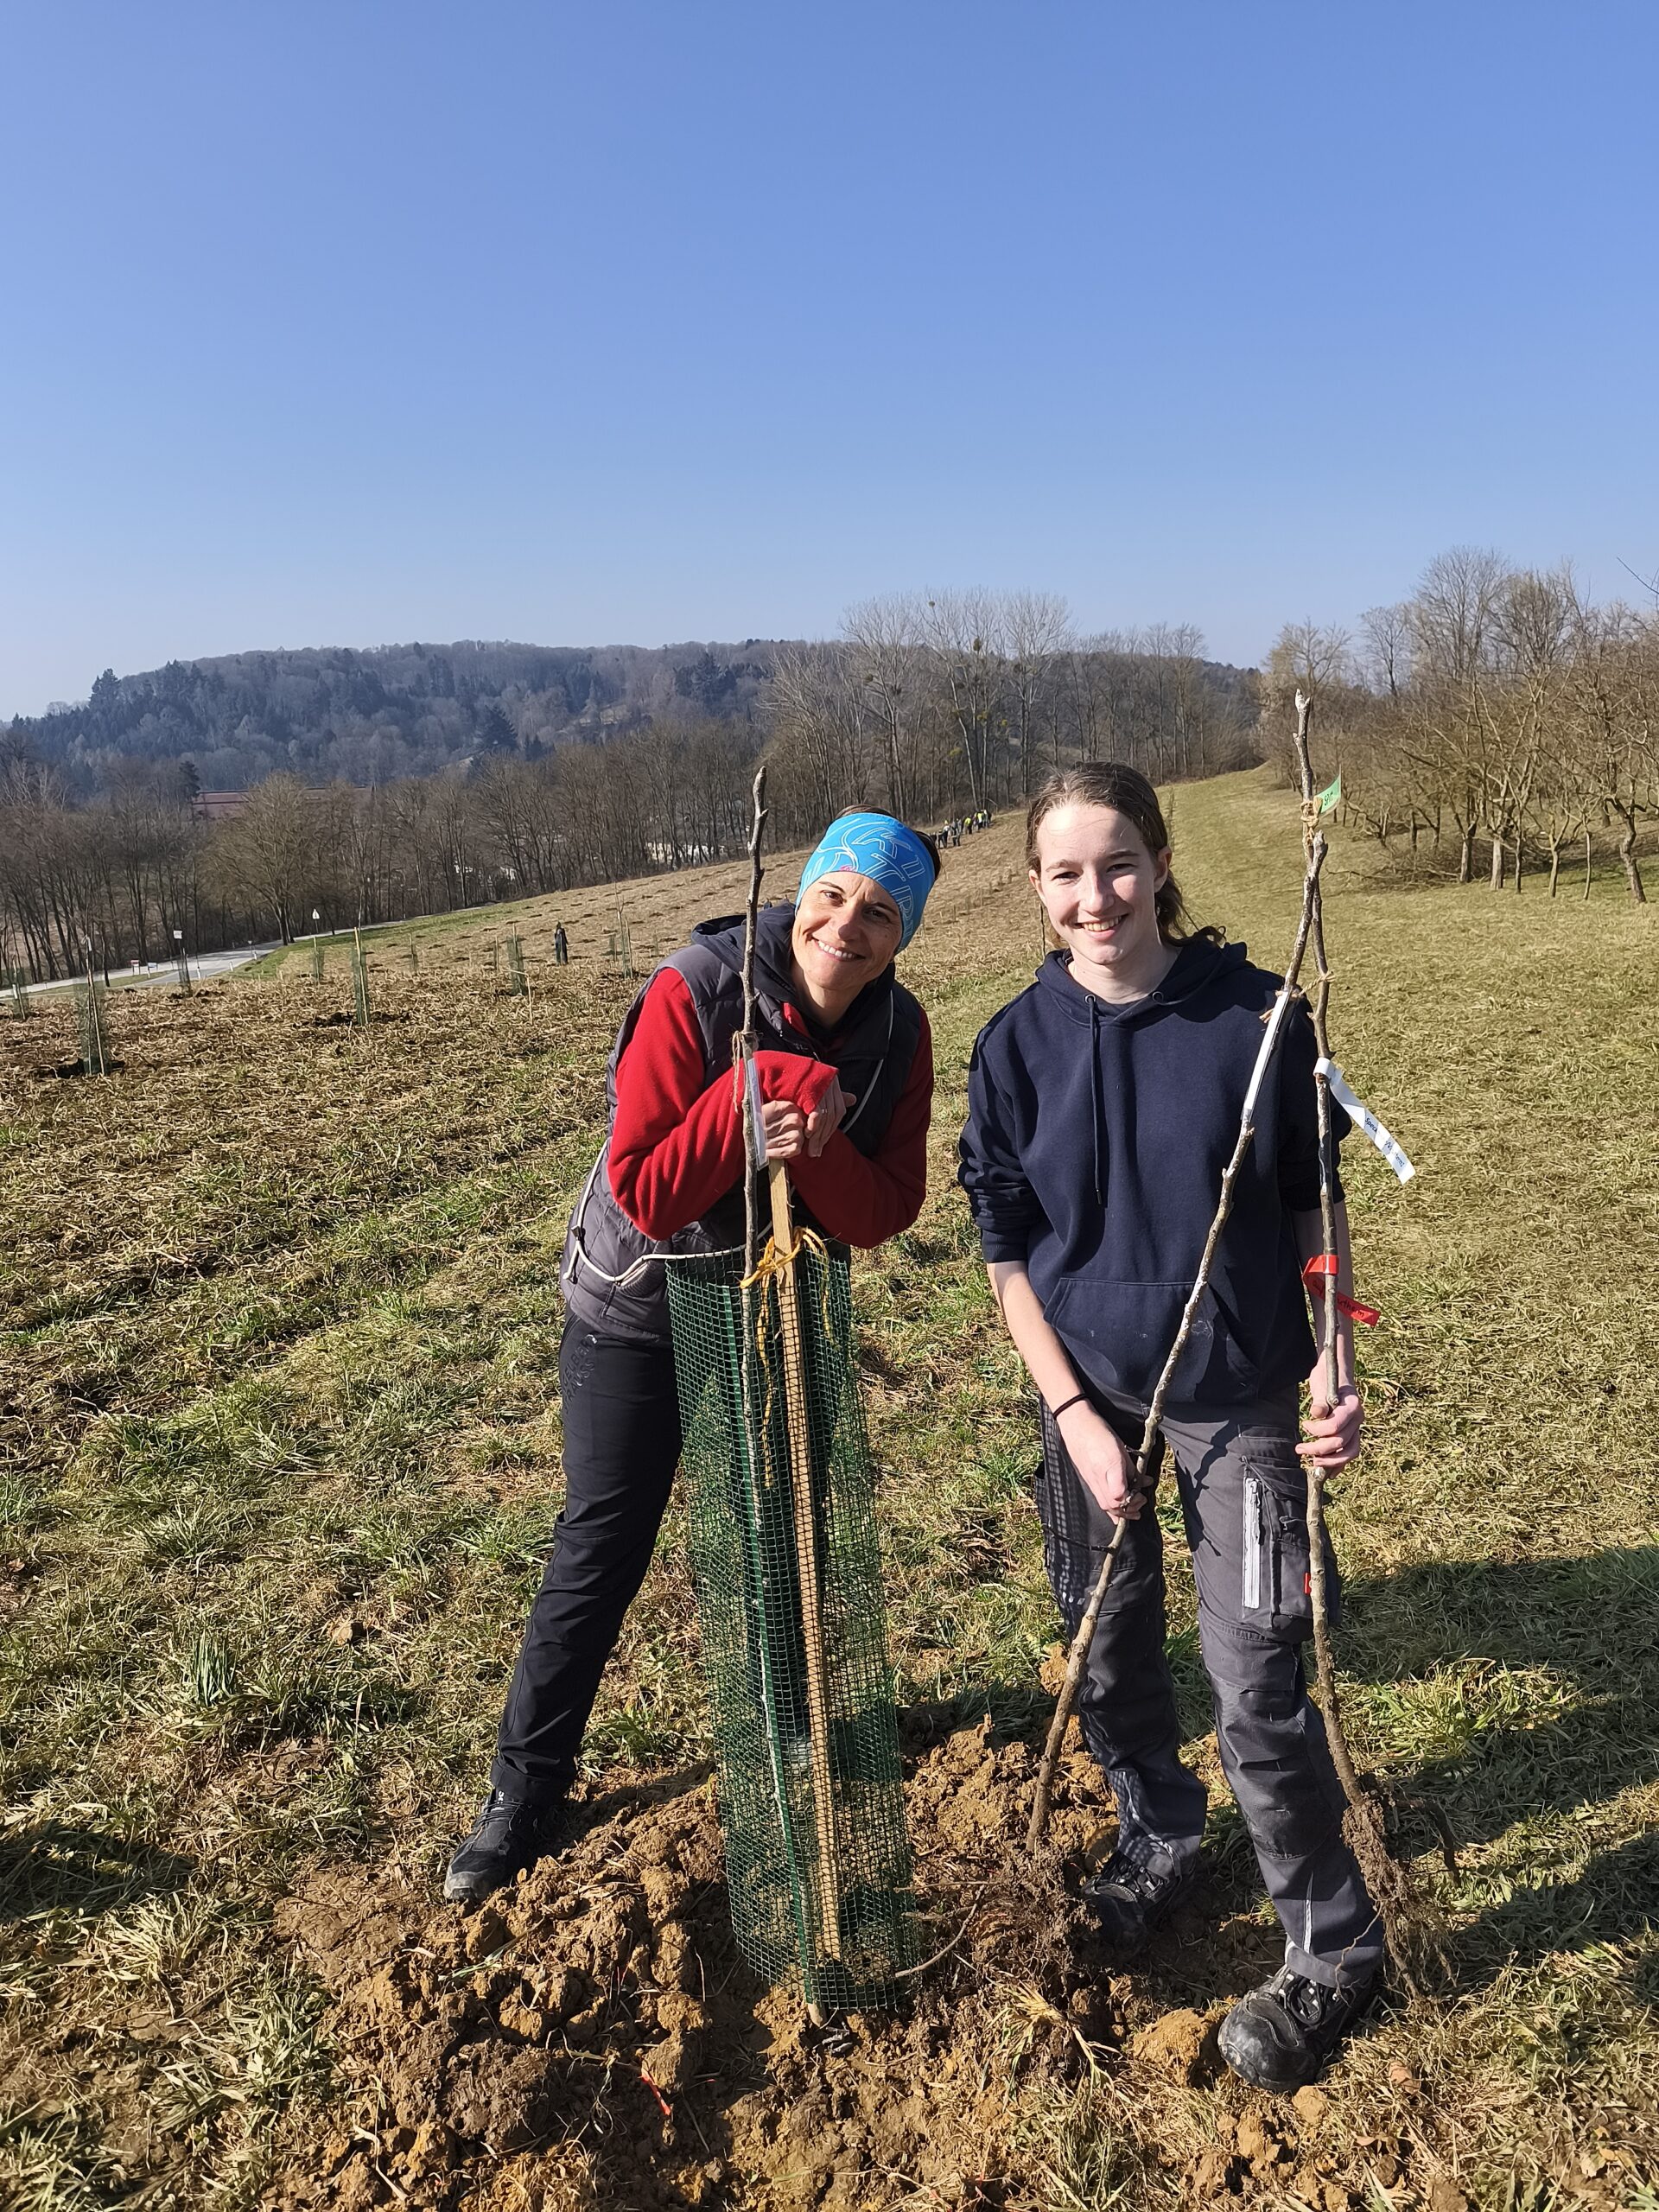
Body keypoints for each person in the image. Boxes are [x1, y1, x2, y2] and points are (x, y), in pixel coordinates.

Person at [957, 762, 1379, 2094]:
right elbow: (1007, 1256)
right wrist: (1076, 1416)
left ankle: (1333, 1952)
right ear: (1035, 888)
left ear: (1160, 860)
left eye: (1119, 863)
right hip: (1092, 1410)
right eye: (1067, 873)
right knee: (1108, 1650)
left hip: (1239, 1399)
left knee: (1257, 1677)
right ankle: (1161, 1836)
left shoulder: (1261, 1022)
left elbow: (1316, 1213)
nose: (1098, 897)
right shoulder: (1012, 1047)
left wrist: (1330, 1362)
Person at [446, 811, 941, 1904]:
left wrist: (814, 1156)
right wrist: (746, 1104)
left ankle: (789, 1739)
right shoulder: (698, 988)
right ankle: (524, 1792)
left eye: (882, 912)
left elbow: (883, 1212)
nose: (847, 925)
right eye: (833, 894)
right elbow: (649, 1190)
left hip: (763, 1305)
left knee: (774, 1526)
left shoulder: (901, 1038)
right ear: (801, 889)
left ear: (905, 935)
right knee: (603, 1544)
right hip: (638, 1303)